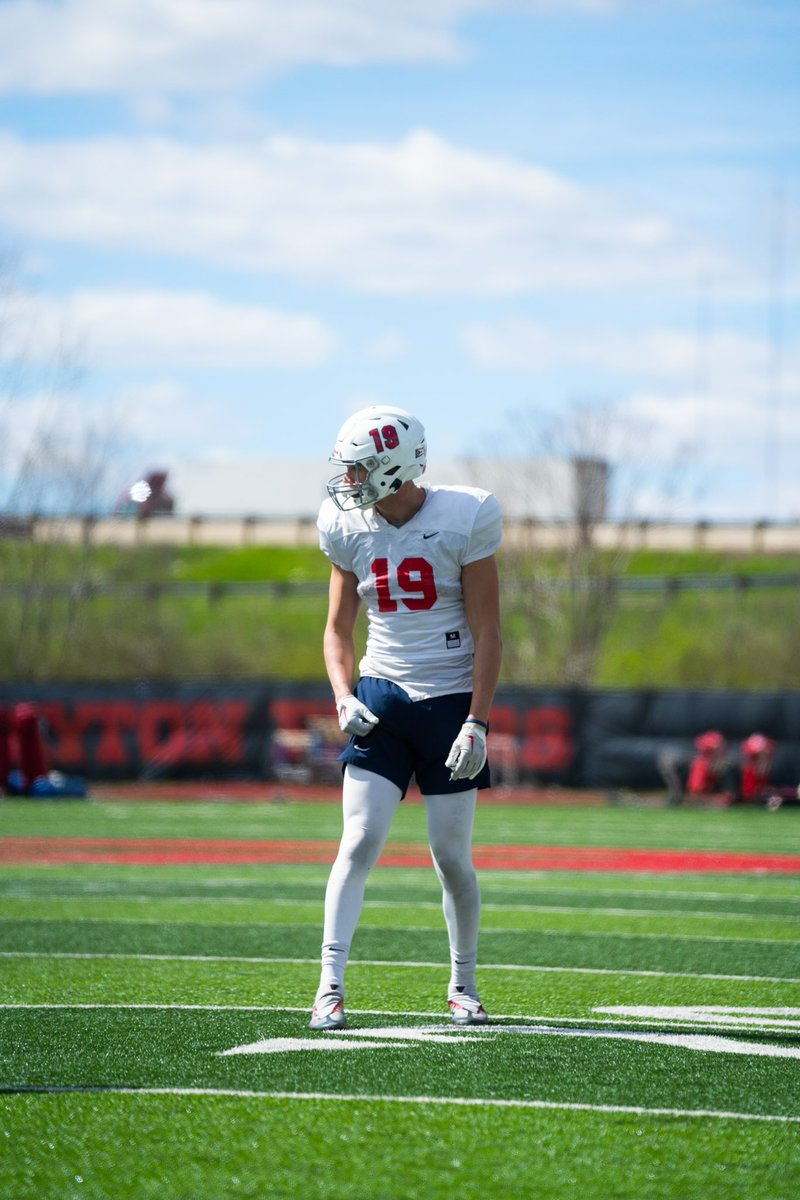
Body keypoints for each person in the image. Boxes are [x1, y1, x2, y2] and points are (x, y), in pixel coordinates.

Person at [309, 404, 503, 1031]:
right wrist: (343, 694)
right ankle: (329, 987)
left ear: (393, 465)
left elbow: (489, 630)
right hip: (382, 699)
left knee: (451, 857)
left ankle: (463, 986)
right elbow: (337, 629)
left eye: (359, 467)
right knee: (358, 841)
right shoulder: (346, 525)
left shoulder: (464, 515)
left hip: (449, 703)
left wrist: (477, 722)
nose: (349, 480)